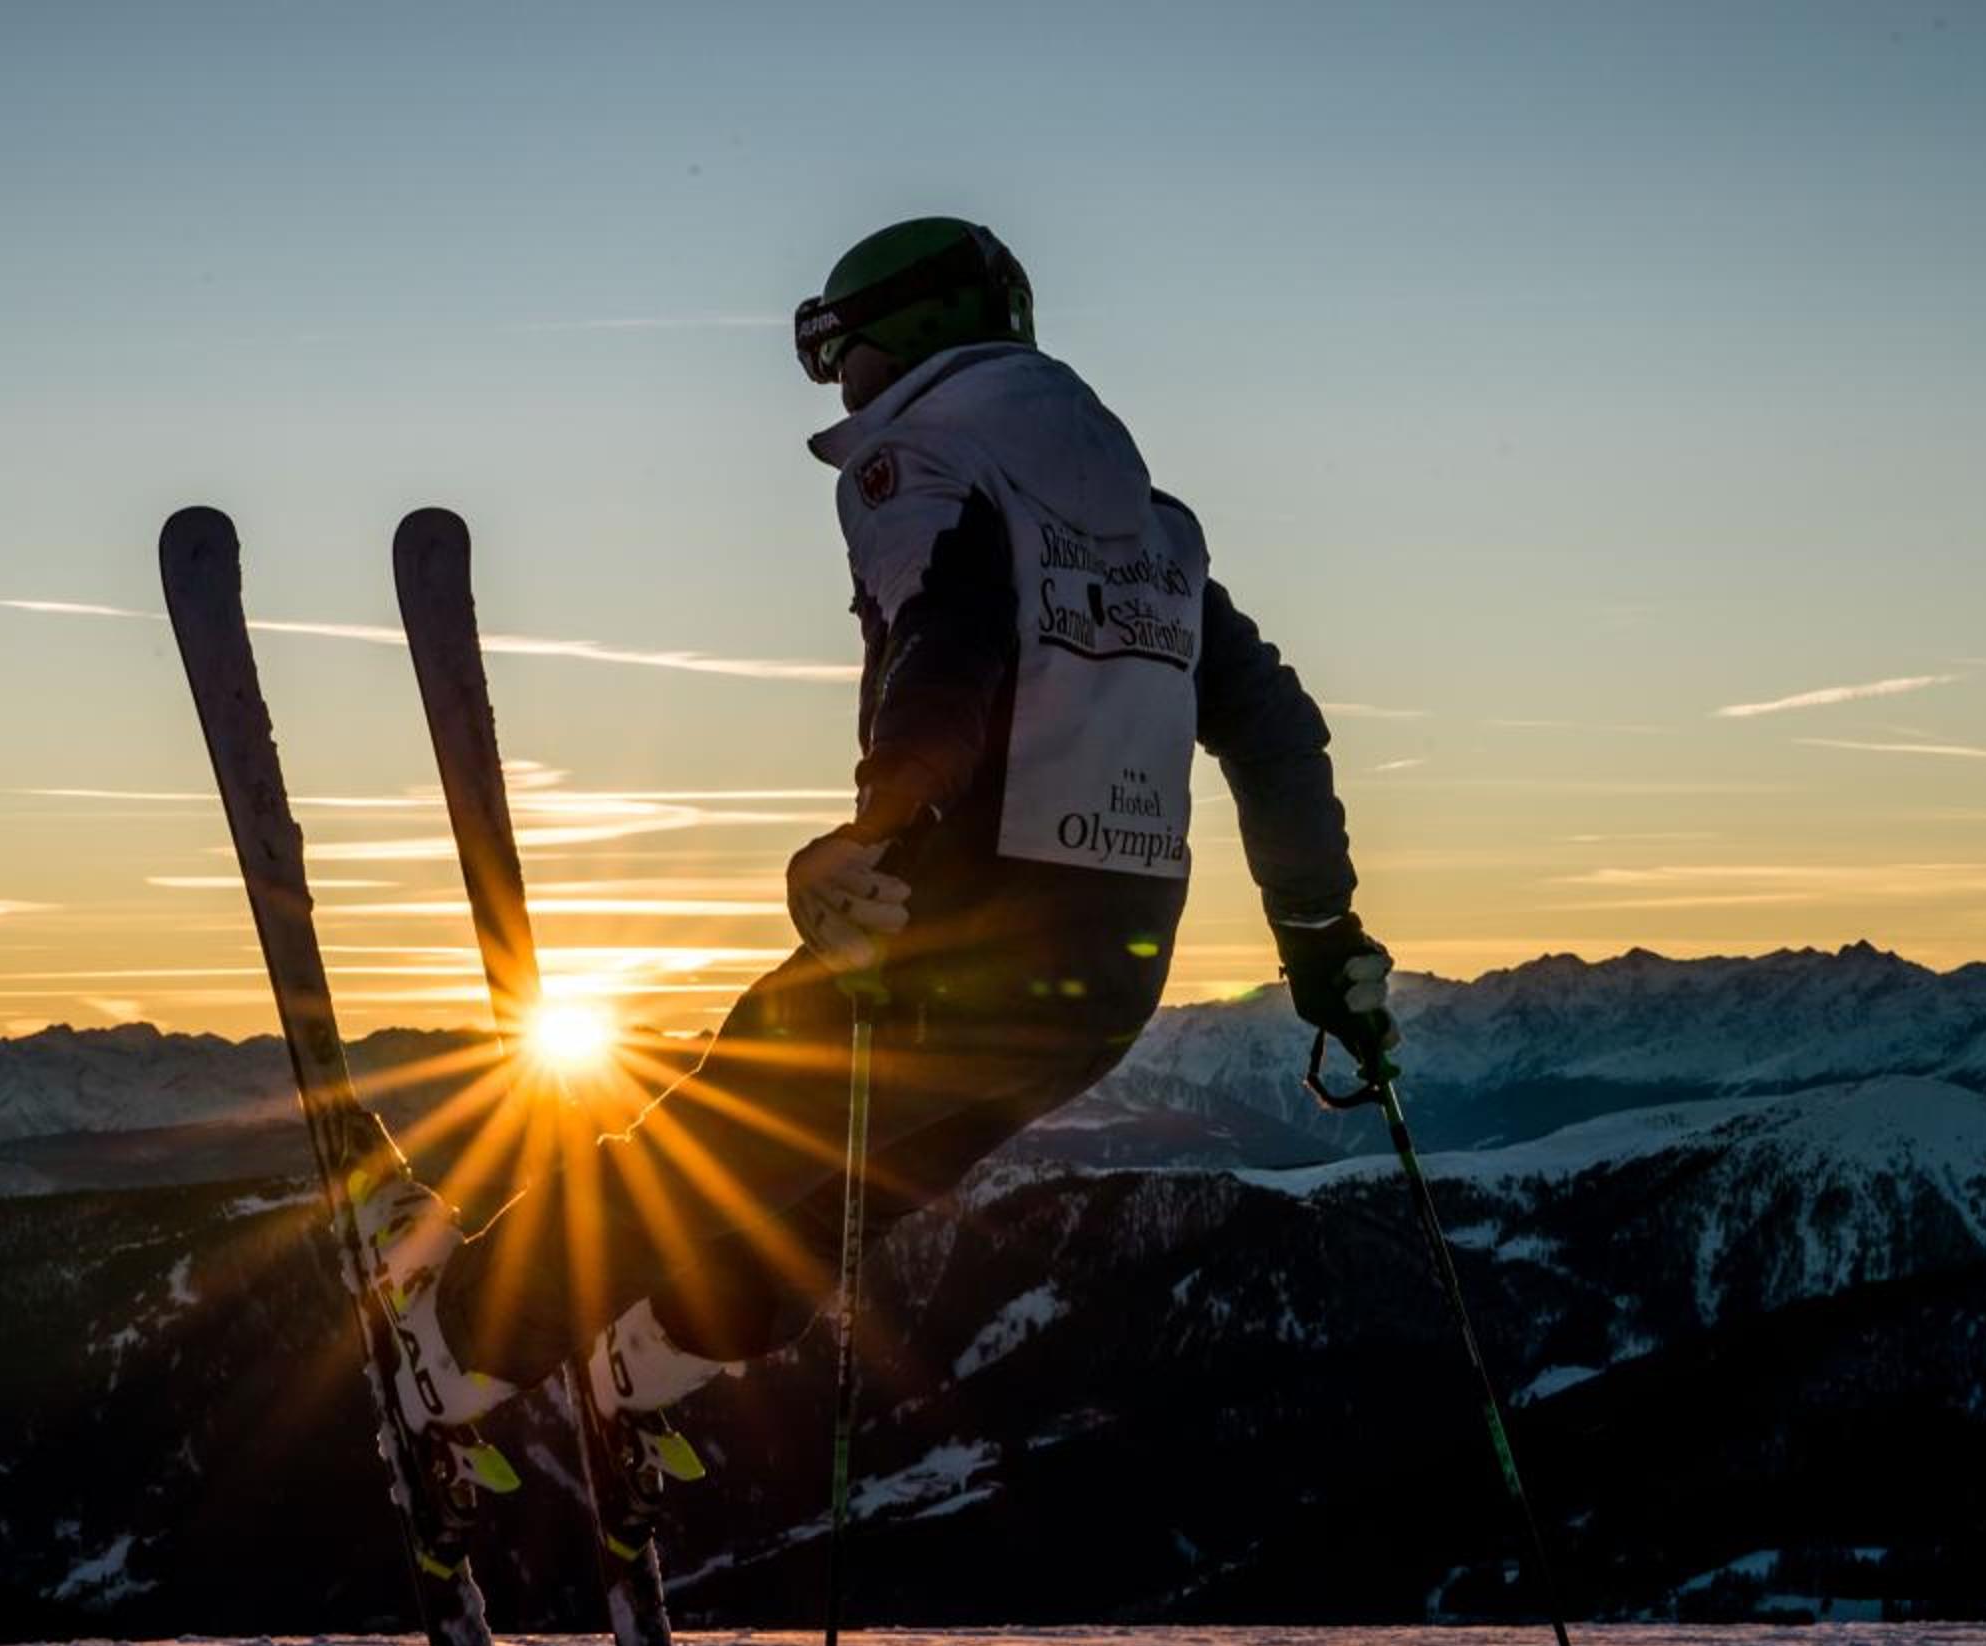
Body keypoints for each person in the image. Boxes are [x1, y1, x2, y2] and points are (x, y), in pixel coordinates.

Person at [369, 216, 1396, 1460]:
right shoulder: (1156, 532)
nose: (833, 381)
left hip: (954, 927)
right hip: (1109, 978)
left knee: (717, 1137)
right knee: (849, 1182)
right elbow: (1273, 727)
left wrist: (879, 828)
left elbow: (946, 642)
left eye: (831, 348)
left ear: (898, 338)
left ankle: (453, 1351)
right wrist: (1320, 935)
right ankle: (665, 1347)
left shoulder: (924, 460)